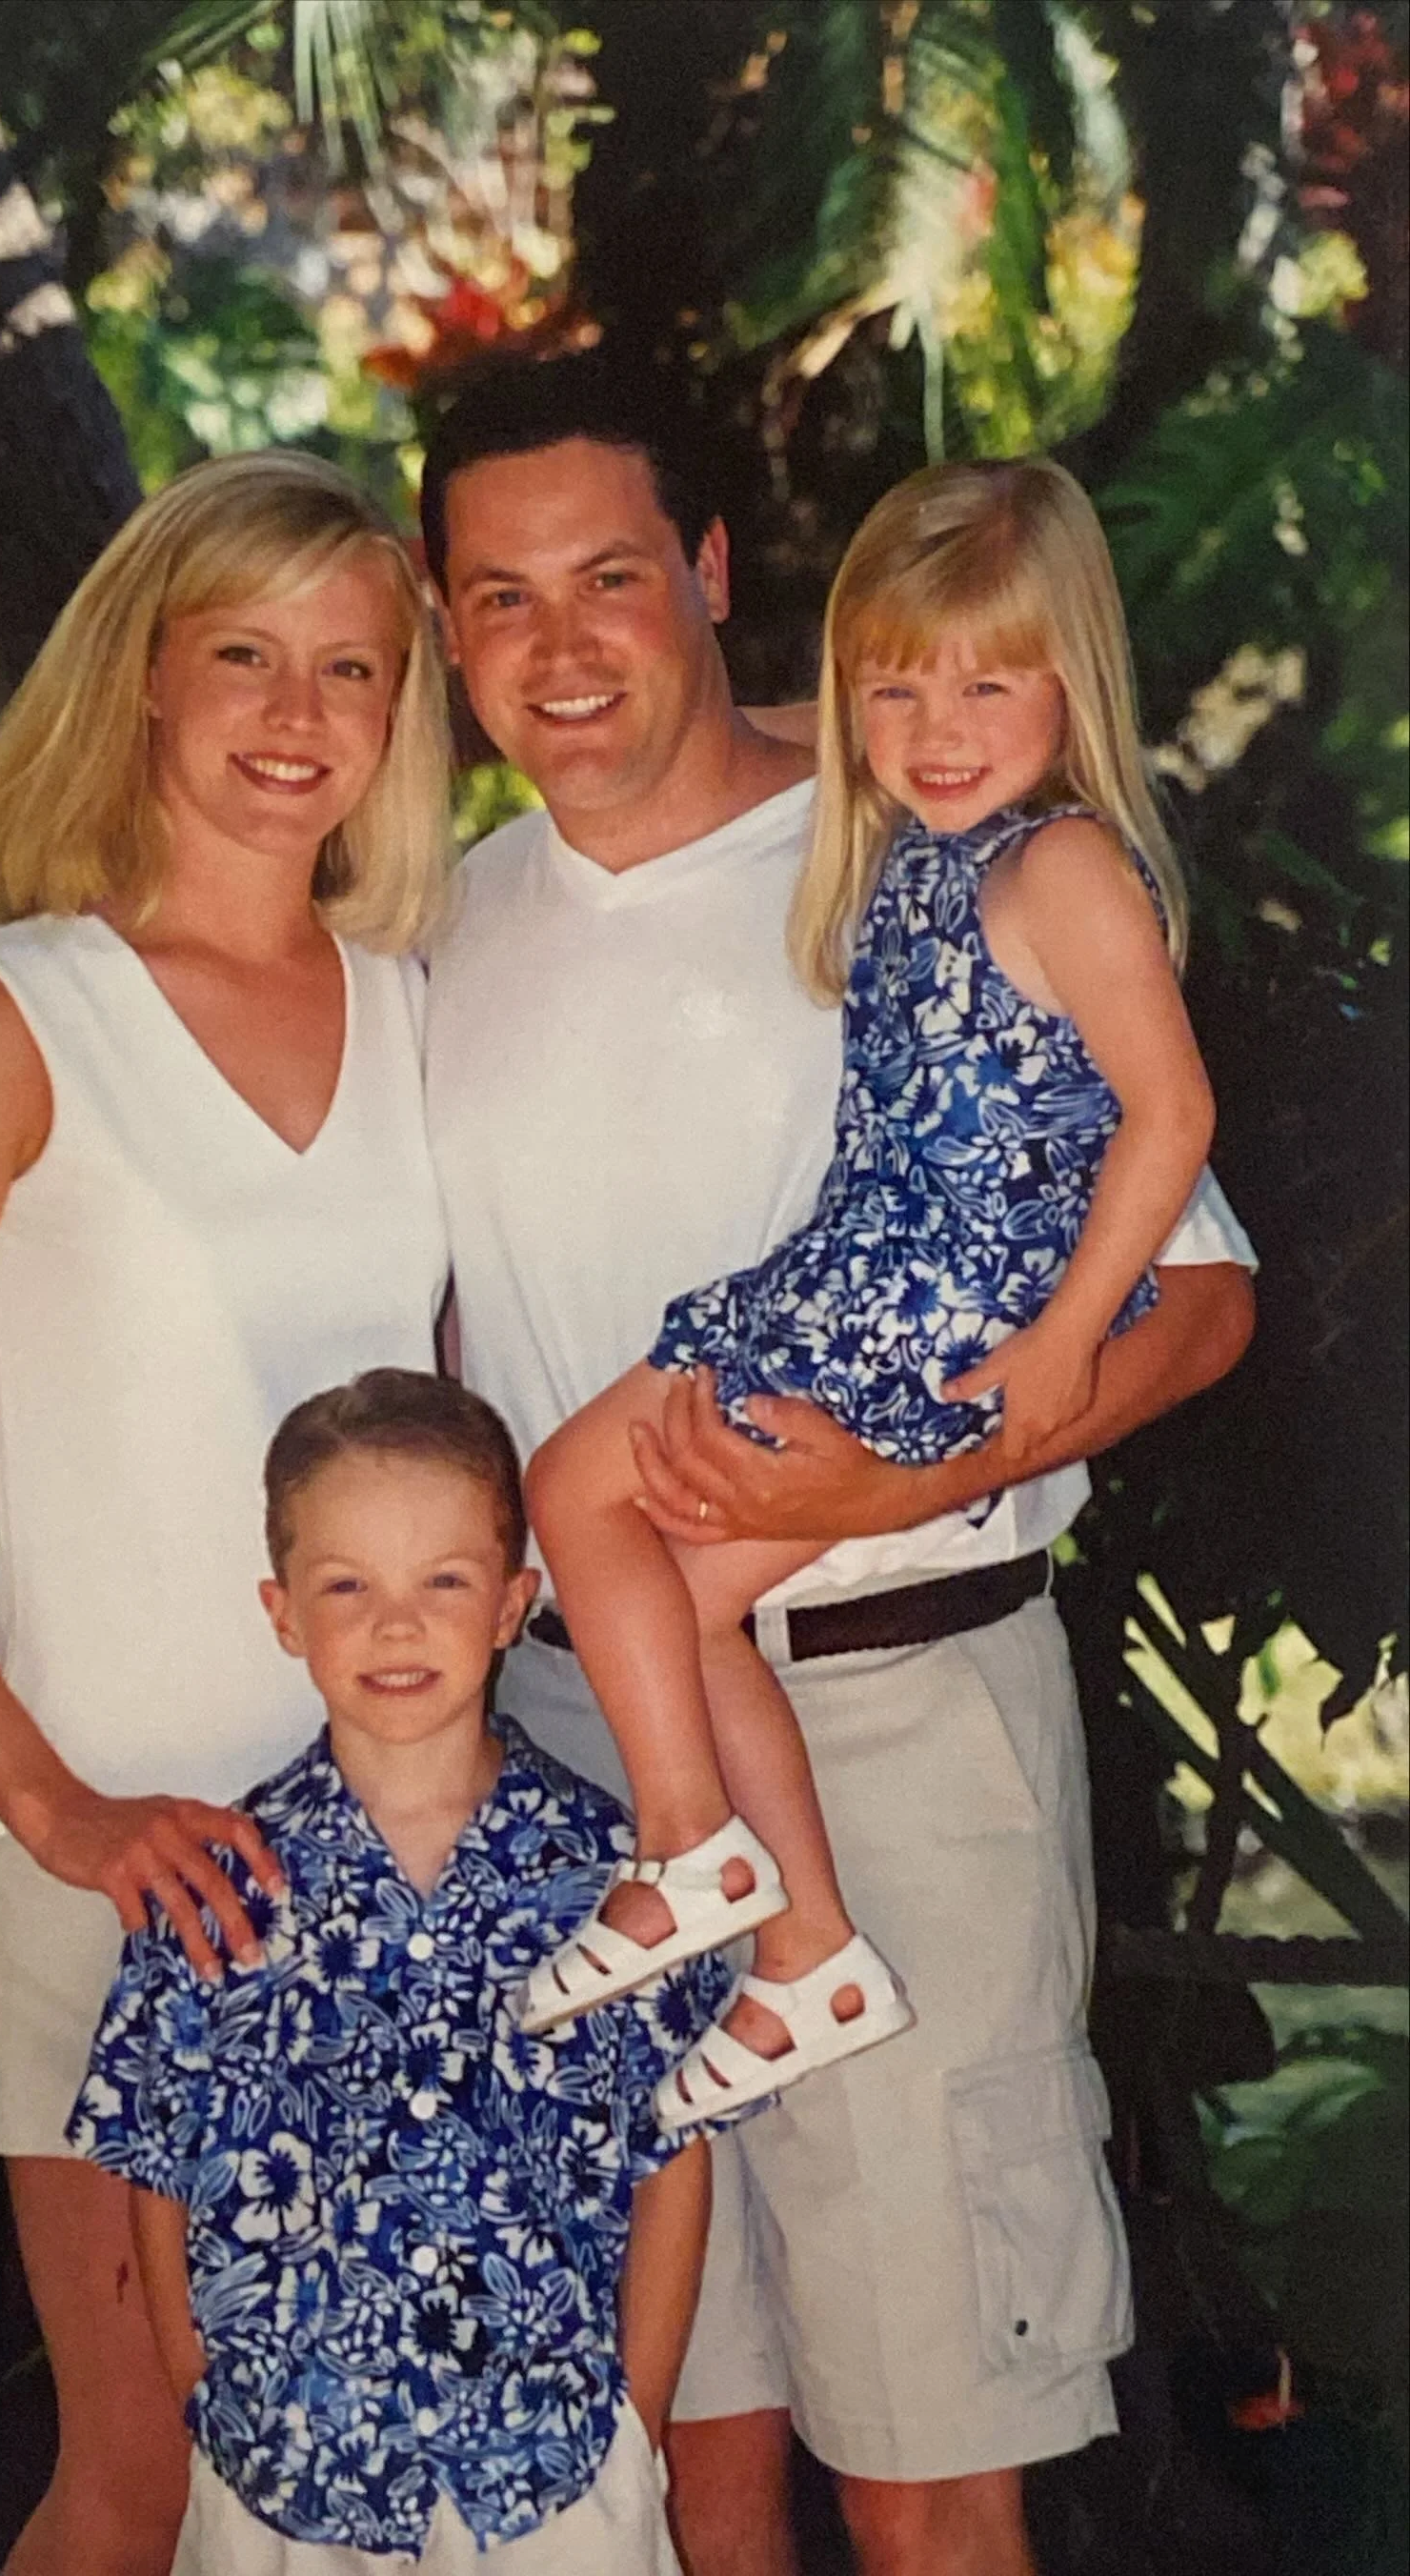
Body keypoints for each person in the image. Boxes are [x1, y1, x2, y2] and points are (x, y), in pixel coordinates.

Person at [417, 350, 1257, 2576]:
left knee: (919, 2449)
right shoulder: (439, 926)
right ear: (440, 630)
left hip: (884, 1700)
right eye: (493, 596)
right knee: (674, 2441)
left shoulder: (921, 846)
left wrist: (885, 1487)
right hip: (576, 1749)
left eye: (608, 572)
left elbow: (1196, 1295)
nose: (559, 639)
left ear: (709, 573)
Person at [0, 454, 454, 2576]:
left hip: (400, 1857)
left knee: (379, 2458)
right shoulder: (0, 1017)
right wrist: (58, 1813)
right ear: (143, 678)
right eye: (241, 650)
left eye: (350, 664)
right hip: (132, 1850)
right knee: (147, 2460)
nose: (294, 706)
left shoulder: (419, 1010)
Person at [519, 457, 1216, 2138]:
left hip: (909, 1315)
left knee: (572, 1489)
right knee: (681, 1592)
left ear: (1075, 682)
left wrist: (1061, 1339)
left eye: (988, 680)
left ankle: (693, 1849)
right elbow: (810, 712)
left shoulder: (1056, 871)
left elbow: (1171, 1112)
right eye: (892, 684)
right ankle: (807, 1948)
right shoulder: (914, 839)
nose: (937, 720)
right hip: (864, 1277)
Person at [70, 1368, 722, 2575]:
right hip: (286, 2475)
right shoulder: (218, 1889)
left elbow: (672, 2153)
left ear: (512, 1603)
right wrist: (206, 2398)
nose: (396, 1623)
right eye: (346, 1586)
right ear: (281, 1613)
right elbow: (160, 2165)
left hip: (554, 2472)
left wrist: (636, 2418)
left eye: (443, 1581)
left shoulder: (608, 1874)